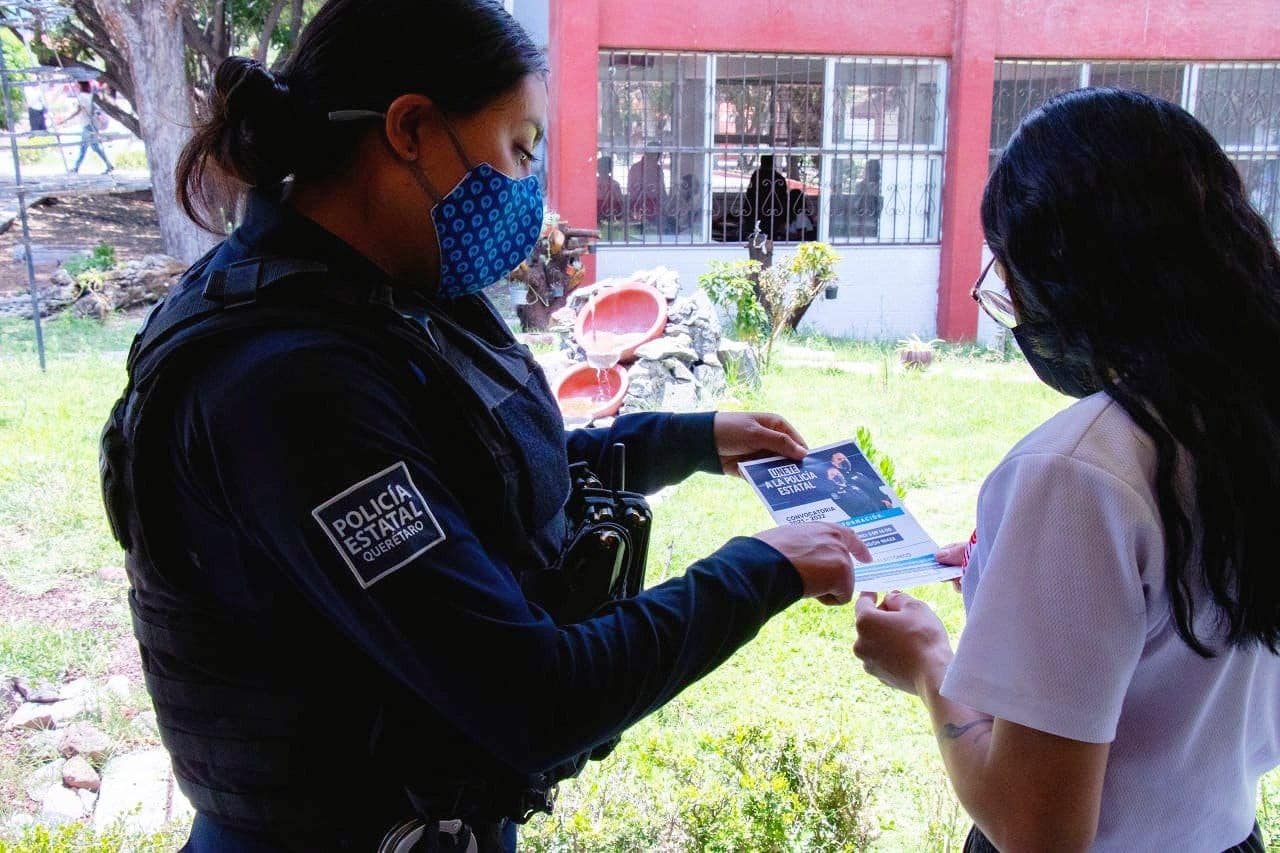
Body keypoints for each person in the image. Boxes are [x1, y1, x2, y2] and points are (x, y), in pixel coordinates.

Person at [99, 2, 870, 850]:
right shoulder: (286, 381)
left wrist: (688, 439)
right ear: (411, 130)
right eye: (519, 148)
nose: (528, 186)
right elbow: (532, 697)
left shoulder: (391, 294)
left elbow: (487, 477)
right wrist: (762, 568)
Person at [853, 88, 1280, 852]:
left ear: (1077, 277)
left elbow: (1038, 828)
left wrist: (926, 661)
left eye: (1012, 277)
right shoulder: (1252, 426)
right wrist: (1016, 575)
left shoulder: (1081, 471)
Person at [61, 80, 112, 174]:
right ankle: (109, 165)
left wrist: (65, 120)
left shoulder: (81, 97)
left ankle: (75, 168)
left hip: (87, 124)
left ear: (80, 86)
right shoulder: (91, 96)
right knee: (95, 147)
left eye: (76, 85)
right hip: (93, 124)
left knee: (83, 147)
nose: (75, 87)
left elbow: (78, 111)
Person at [743, 154, 788, 238]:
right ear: (772, 162)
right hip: (773, 213)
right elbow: (783, 198)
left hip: (756, 211)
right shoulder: (778, 178)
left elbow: (750, 193)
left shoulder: (757, 176)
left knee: (755, 237)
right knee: (769, 237)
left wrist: (746, 211)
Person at [626, 142, 666, 225]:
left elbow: (662, 190)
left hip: (655, 208)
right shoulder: (636, 168)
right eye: (652, 154)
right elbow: (631, 189)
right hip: (638, 206)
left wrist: (665, 205)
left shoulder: (658, 169)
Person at [595, 155, 624, 221]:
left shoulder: (614, 185)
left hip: (610, 216)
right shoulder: (593, 183)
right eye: (601, 166)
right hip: (598, 216)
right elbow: (621, 203)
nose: (602, 169)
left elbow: (620, 204)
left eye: (604, 167)